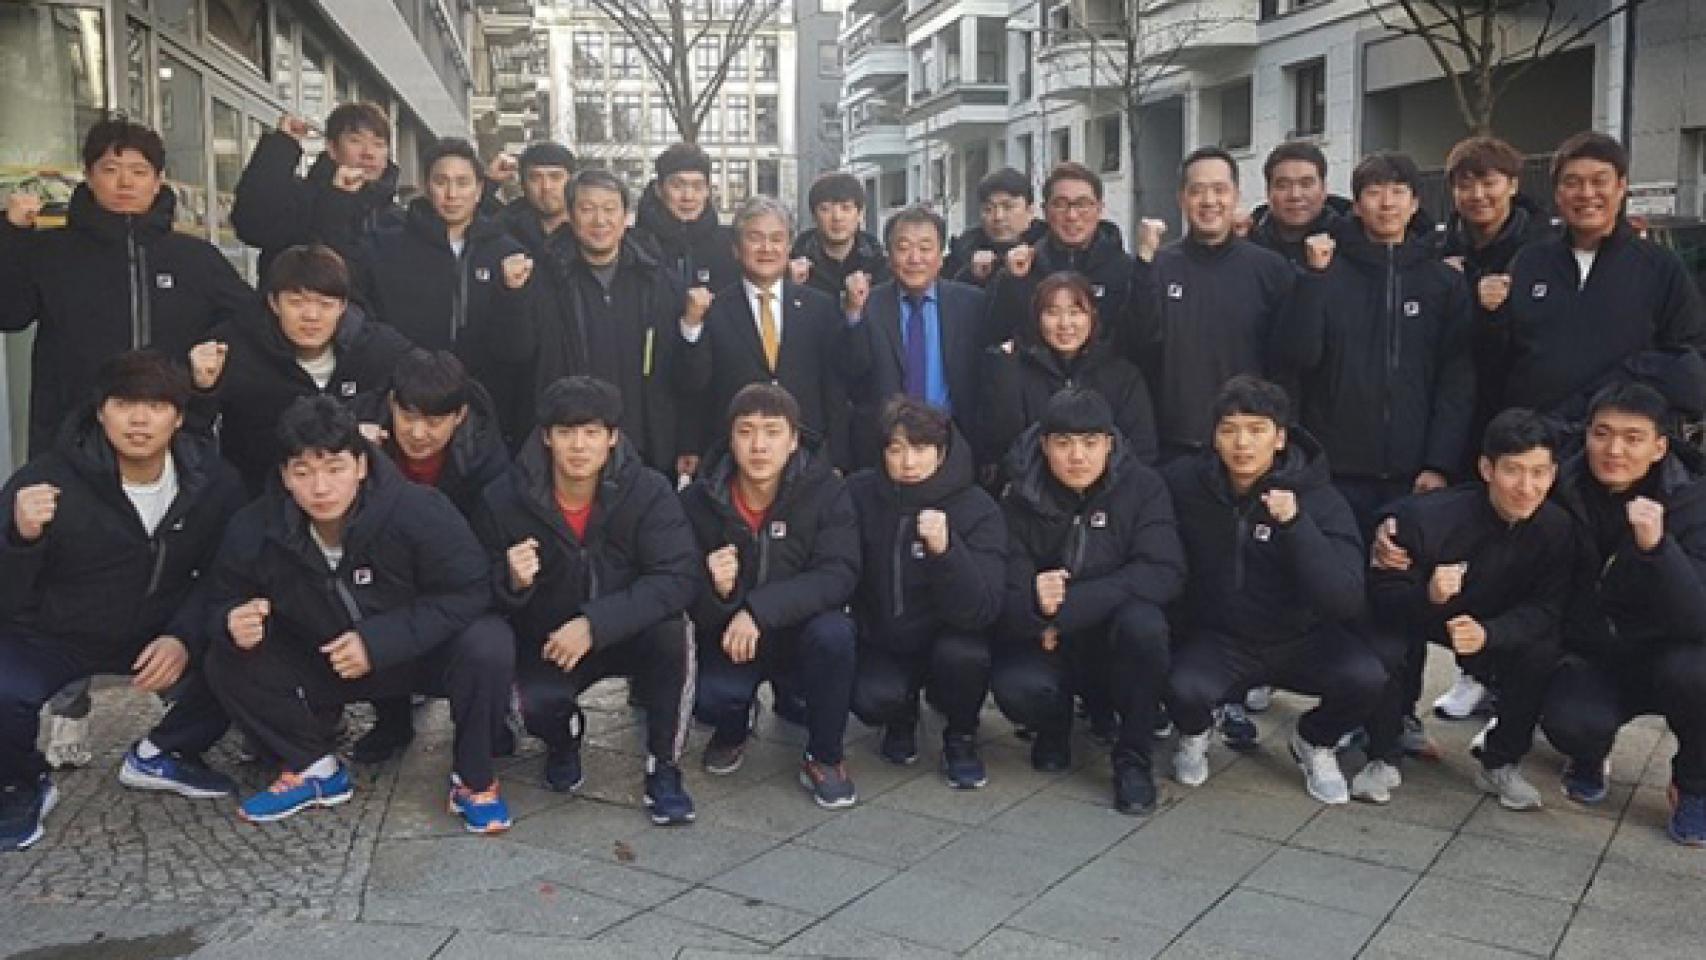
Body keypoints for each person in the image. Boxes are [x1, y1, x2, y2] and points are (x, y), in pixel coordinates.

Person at [202, 396, 514, 832]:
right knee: (225, 655)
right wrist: (232, 620)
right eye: (303, 472)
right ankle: (313, 767)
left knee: (489, 642)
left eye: (334, 468)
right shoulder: (255, 527)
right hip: (322, 657)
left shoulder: (418, 510)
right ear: (285, 477)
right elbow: (217, 598)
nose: (321, 488)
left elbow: (471, 589)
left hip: (417, 657)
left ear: (362, 466)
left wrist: (379, 641)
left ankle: (474, 777)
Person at [0, 353, 247, 852]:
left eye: (156, 406)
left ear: (178, 416)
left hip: (155, 630)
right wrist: (19, 538)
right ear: (100, 411)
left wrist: (181, 636)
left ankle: (164, 752)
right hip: (57, 634)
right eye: (125, 404)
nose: (139, 420)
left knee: (245, 654)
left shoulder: (213, 481)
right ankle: (22, 784)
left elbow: (229, 573)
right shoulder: (45, 479)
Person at [474, 377, 698, 824]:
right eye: (566, 432)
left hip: (627, 629)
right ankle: (563, 740)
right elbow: (477, 588)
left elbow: (677, 578)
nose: (579, 446)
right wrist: (512, 582)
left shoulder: (649, 490)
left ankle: (664, 766)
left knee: (673, 633)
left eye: (592, 432)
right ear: (546, 437)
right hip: (549, 638)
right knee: (532, 703)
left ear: (612, 437)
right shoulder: (504, 498)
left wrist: (596, 624)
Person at [1164, 377, 1381, 805]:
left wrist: (1296, 525)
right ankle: (1195, 731)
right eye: (1229, 430)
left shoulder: (1320, 498)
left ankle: (1314, 741)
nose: (1242, 443)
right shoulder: (1186, 484)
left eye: (1257, 430)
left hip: (1301, 639)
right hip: (1222, 639)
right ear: (1214, 437)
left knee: (1368, 678)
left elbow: (1343, 597)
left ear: (1280, 438)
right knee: (1180, 686)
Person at [0, 117, 254, 459]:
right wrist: (12, 236)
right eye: (110, 170)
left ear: (158, 180)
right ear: (88, 177)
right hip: (73, 439)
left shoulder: (195, 258)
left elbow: (249, 321)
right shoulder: (52, 251)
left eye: (138, 171)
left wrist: (199, 374)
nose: (124, 183)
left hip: (174, 436)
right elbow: (9, 312)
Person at [1360, 408, 1569, 808]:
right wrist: (1429, 597)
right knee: (1386, 645)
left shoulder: (1556, 529)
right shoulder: (1426, 517)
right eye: (1513, 471)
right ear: (1487, 468)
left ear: (1554, 473)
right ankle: (1381, 753)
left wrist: (1492, 633)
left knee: (1542, 652)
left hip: (1493, 621)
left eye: (1539, 472)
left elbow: (1548, 607)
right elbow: (1382, 597)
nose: (1526, 487)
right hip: (1425, 610)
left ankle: (1501, 763)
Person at [993, 388, 1184, 814]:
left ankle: (1132, 760)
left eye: (1090, 443)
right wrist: (1034, 602)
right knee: (1018, 687)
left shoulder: (1143, 487)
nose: (1077, 456)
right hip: (1046, 643)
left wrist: (1068, 609)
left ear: (1109, 443)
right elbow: (1003, 585)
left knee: (1146, 626)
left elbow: (1163, 571)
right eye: (1063, 443)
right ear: (1044, 446)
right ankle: (1054, 725)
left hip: (1110, 635)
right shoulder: (1018, 493)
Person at [1538, 383, 1706, 846]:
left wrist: (1657, 549)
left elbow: (1697, 617)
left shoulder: (1694, 501)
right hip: (1593, 653)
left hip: (1669, 653)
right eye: (1602, 434)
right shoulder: (1559, 485)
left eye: (1633, 438)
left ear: (1659, 447)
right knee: (1571, 719)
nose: (1614, 450)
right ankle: (1588, 754)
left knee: (1699, 675)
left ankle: (1694, 784)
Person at [1275, 151, 1475, 536]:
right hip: (1335, 472)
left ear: (1415, 203)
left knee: (1402, 578)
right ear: (1356, 204)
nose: (1387, 203)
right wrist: (1312, 282)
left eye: (1399, 192)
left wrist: (1440, 463)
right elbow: (1297, 357)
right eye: (1374, 192)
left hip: (1414, 474)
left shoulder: (1443, 282)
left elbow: (1457, 380)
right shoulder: (1324, 273)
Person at [681, 385, 861, 809]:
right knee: (711, 698)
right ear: (730, 437)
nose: (759, 445)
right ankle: (733, 725)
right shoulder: (698, 499)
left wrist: (759, 611)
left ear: (794, 439)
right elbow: (676, 582)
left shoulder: (826, 491)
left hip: (799, 632)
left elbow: (838, 575)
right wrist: (718, 593)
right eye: (746, 431)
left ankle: (825, 757)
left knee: (836, 634)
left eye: (772, 431)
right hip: (729, 638)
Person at [1432, 136, 1557, 722]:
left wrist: (1494, 308)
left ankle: (1509, 677)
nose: (1478, 194)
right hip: (1462, 419)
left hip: (1524, 420)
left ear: (1513, 183)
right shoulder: (1441, 249)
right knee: (1470, 545)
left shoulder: (1541, 250)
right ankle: (1472, 669)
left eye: (1490, 181)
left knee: (1522, 549)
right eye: (1465, 183)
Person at [347, 350, 512, 763]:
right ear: (391, 406)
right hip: (382, 567)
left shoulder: (486, 457)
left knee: (486, 632)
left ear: (458, 417)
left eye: (434, 422)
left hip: (456, 568)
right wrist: (349, 457)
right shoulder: (354, 436)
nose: (418, 433)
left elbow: (491, 536)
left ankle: (486, 718)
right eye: (408, 417)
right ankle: (391, 718)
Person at [1494, 132, 1706, 431]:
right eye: (1572, 182)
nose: (1586, 193)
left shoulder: (1659, 267)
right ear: (1557, 194)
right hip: (1539, 451)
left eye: (1599, 181)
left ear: (1621, 187)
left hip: (1619, 451)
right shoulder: (1529, 262)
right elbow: (1501, 359)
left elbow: (1689, 363)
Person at [847, 399, 1004, 787]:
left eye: (919, 449)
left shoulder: (975, 506)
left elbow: (982, 608)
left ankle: (961, 735)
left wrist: (946, 551)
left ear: (942, 451)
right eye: (896, 450)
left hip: (949, 635)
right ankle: (901, 717)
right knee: (872, 697)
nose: (908, 462)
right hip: (885, 634)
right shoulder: (860, 495)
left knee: (963, 656)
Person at [520, 169, 707, 476]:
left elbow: (686, 375)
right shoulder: (543, 279)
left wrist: (685, 441)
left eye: (609, 209)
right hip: (571, 444)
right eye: (587, 209)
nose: (600, 221)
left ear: (626, 216)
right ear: (569, 214)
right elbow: (518, 354)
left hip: (645, 445)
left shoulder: (660, 282)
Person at [189, 244, 413, 494]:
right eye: (296, 303)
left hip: (362, 499)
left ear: (343, 306)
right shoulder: (232, 349)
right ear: (274, 303)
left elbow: (432, 392)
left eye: (325, 304)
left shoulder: (379, 348)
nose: (311, 316)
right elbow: (191, 435)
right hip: (259, 497)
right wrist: (202, 389)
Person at [350, 139, 535, 436]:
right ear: (426, 186)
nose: (451, 194)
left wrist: (512, 295)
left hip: (484, 407)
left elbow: (517, 349)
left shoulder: (507, 252)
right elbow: (366, 317)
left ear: (479, 190)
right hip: (407, 403)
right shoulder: (387, 245)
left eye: (463, 183)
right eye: (441, 181)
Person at [1126, 146, 1295, 463]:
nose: (1209, 201)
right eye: (1197, 191)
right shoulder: (1158, 267)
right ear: (1181, 199)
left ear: (1236, 196)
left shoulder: (1270, 270)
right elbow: (1139, 342)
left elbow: (1287, 363)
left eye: (1220, 190)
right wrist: (1144, 264)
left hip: (1247, 450)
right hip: (1174, 445)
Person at [685, 196, 851, 468]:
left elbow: (834, 389)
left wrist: (837, 458)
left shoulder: (819, 307)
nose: (766, 248)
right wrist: (691, 327)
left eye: (776, 239)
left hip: (807, 453)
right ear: (736, 249)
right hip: (735, 457)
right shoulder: (715, 310)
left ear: (789, 247)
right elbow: (695, 385)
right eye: (755, 238)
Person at [840, 205, 991, 468]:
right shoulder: (868, 304)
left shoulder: (972, 304)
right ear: (889, 255)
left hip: (953, 445)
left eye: (925, 247)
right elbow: (852, 372)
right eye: (903, 247)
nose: (914, 258)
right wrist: (853, 315)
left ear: (941, 255)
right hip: (886, 448)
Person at [979, 272, 1158, 477]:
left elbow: (1142, 451)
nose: (1065, 323)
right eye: (1052, 313)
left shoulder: (1122, 374)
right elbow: (1000, 443)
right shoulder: (1015, 369)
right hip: (1033, 492)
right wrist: (1003, 370)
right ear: (1037, 318)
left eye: (1075, 312)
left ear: (1093, 316)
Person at [232, 102, 400, 280]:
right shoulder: (302, 199)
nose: (368, 153)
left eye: (379, 144)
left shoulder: (397, 220)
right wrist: (282, 145)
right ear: (332, 148)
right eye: (355, 141)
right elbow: (251, 224)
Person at [984, 163, 1134, 351]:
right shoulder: (1022, 267)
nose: (1071, 215)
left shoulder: (1125, 270)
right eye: (1060, 204)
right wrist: (1010, 282)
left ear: (1099, 208)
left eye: (1082, 204)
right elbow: (995, 337)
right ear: (1045, 210)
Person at [632, 143, 741, 295]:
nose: (688, 196)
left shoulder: (728, 246)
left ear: (708, 190)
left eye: (697, 186)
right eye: (677, 186)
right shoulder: (634, 247)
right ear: (658, 189)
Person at [1246, 141, 1352, 267]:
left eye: (1306, 184)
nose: (1295, 195)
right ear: (1268, 192)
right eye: (1283, 185)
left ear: (1324, 190)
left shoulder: (1352, 240)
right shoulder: (1246, 244)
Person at [789, 172, 891, 297]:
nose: (837, 217)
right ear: (813, 215)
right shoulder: (791, 264)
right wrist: (790, 287)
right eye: (825, 209)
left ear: (860, 214)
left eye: (846, 208)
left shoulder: (880, 265)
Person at [943, 167, 1045, 287]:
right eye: (988, 209)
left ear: (1030, 210)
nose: (998, 217)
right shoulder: (965, 248)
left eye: (1008, 207)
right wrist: (970, 274)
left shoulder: (1048, 246)